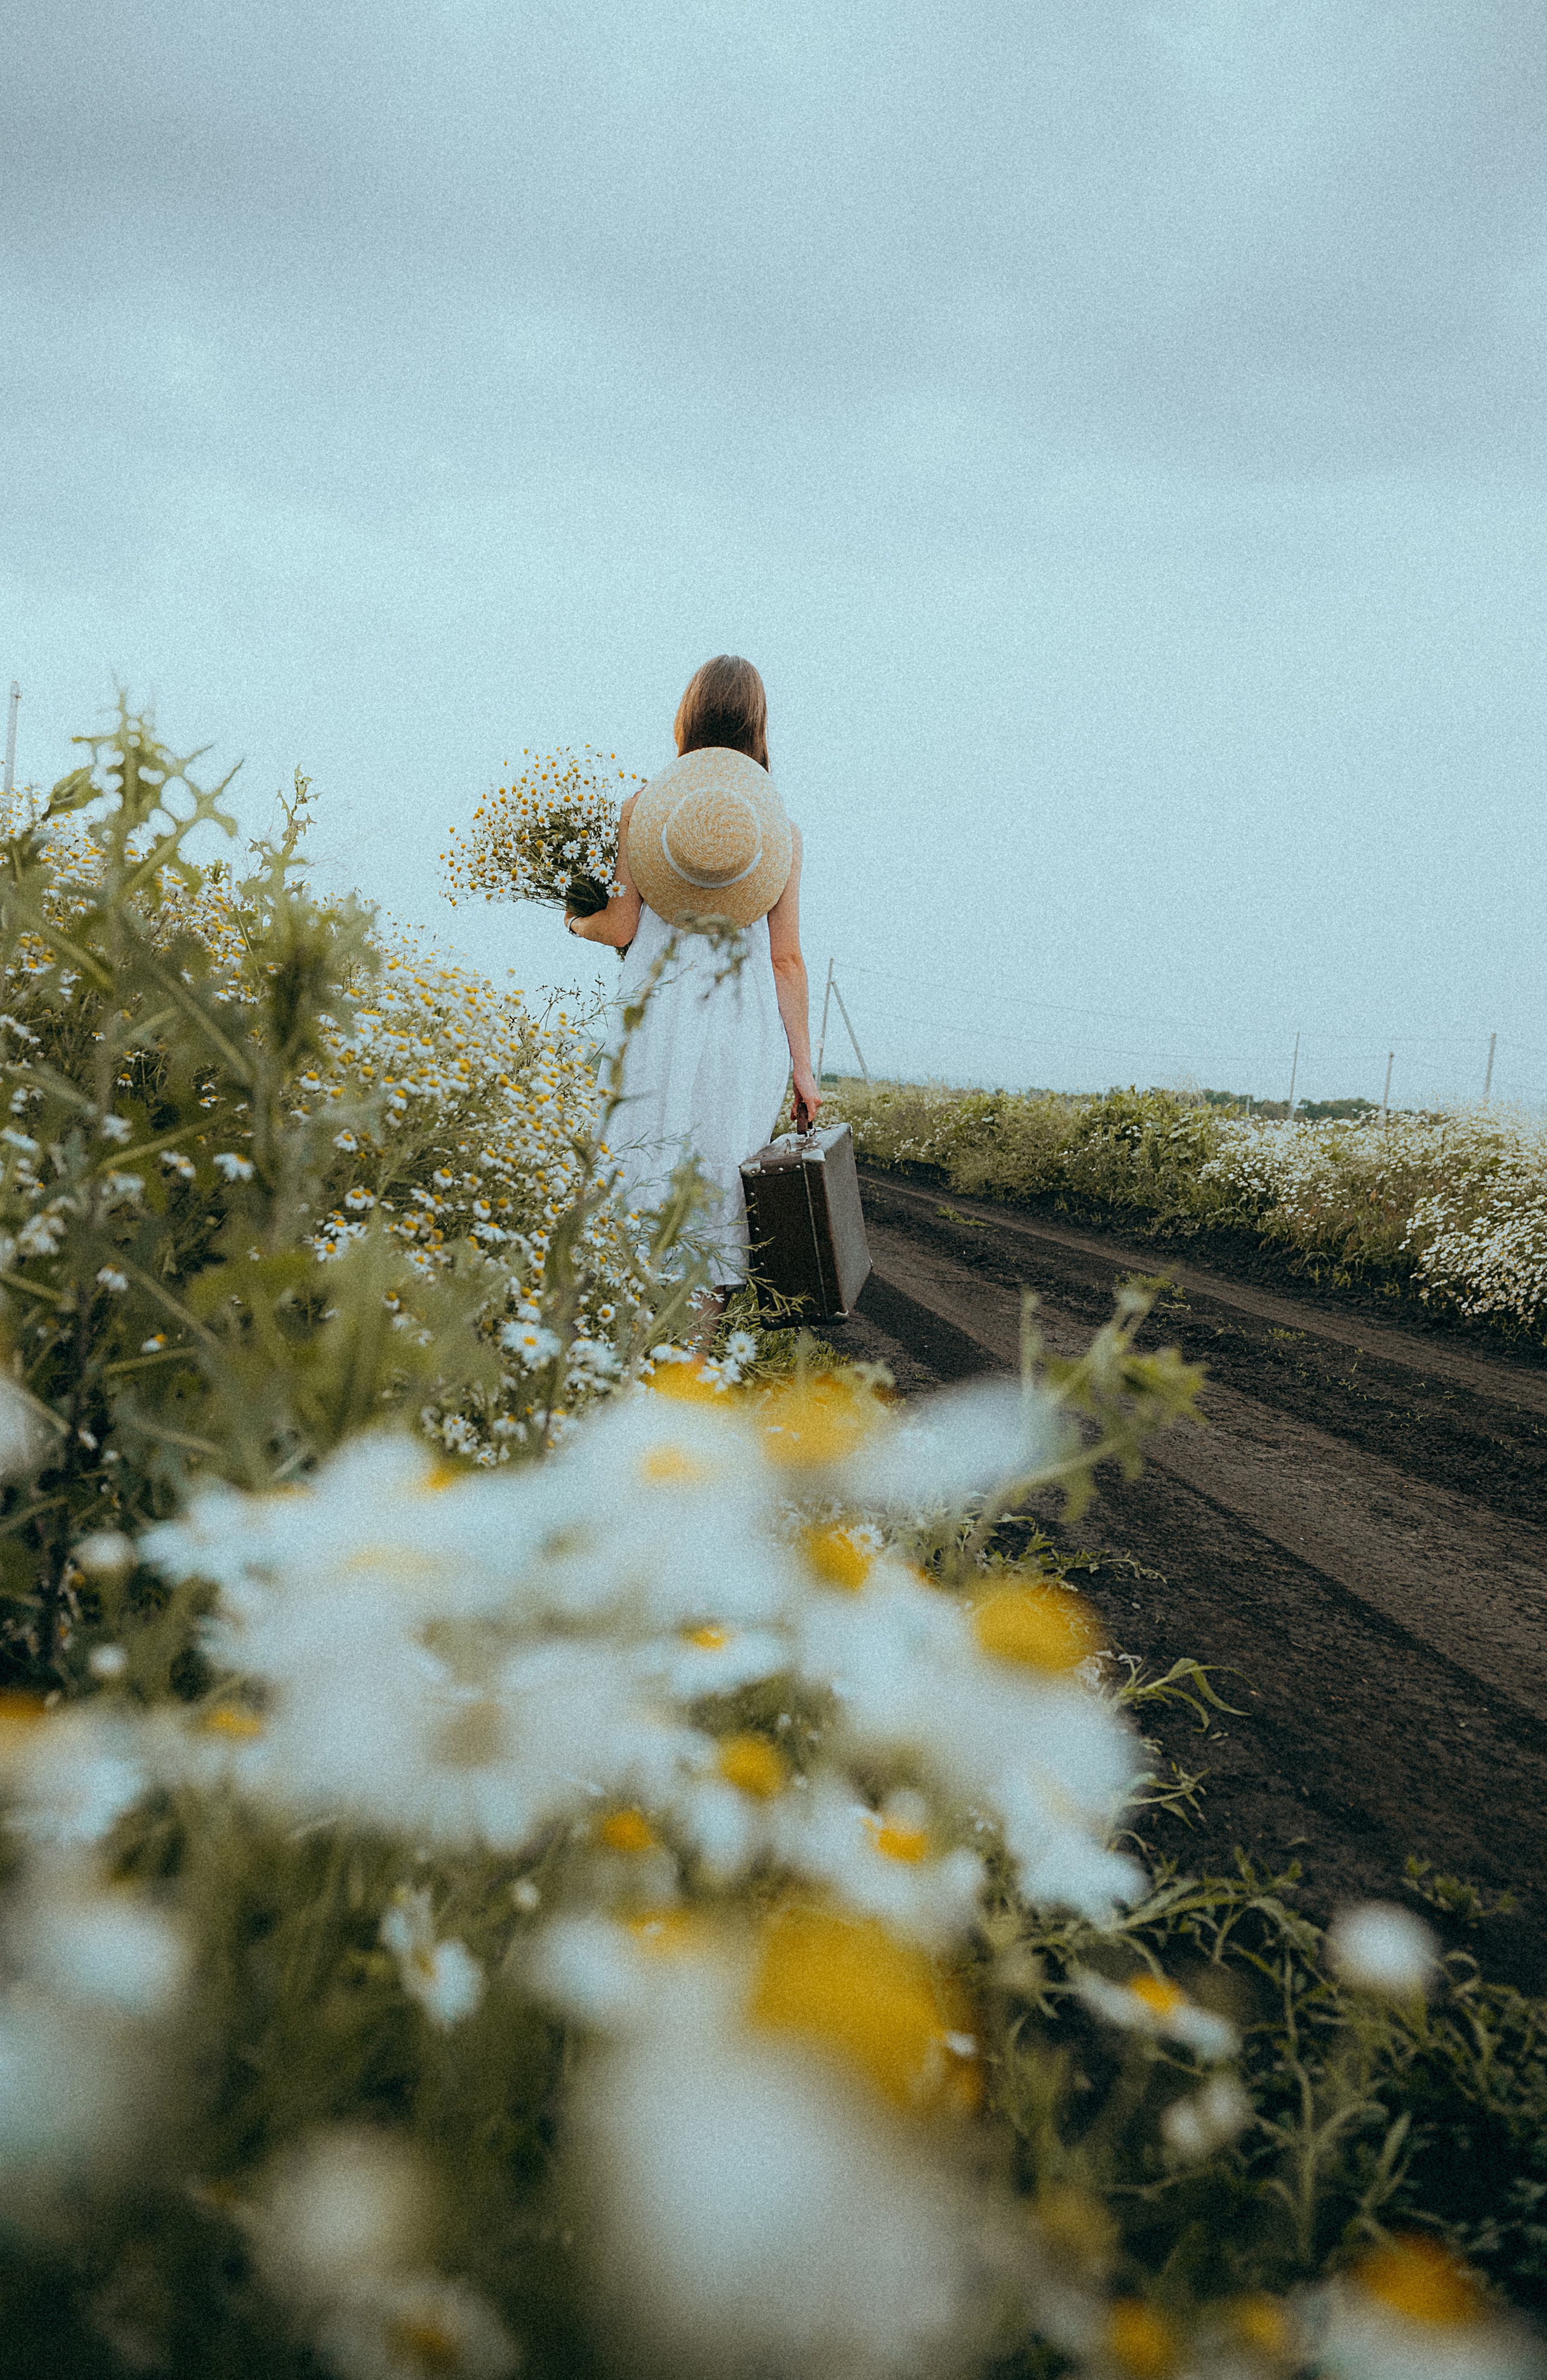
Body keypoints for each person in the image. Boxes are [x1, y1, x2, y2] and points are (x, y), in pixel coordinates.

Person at [566, 655, 821, 1342]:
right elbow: (787, 959)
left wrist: (575, 918)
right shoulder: (781, 836)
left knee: (635, 1165)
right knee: (716, 1184)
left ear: (688, 715)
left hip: (655, 1020)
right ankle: (695, 1367)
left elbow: (619, 925)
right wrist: (803, 1068)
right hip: (742, 1034)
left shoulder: (644, 811)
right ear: (758, 725)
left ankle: (616, 1347)